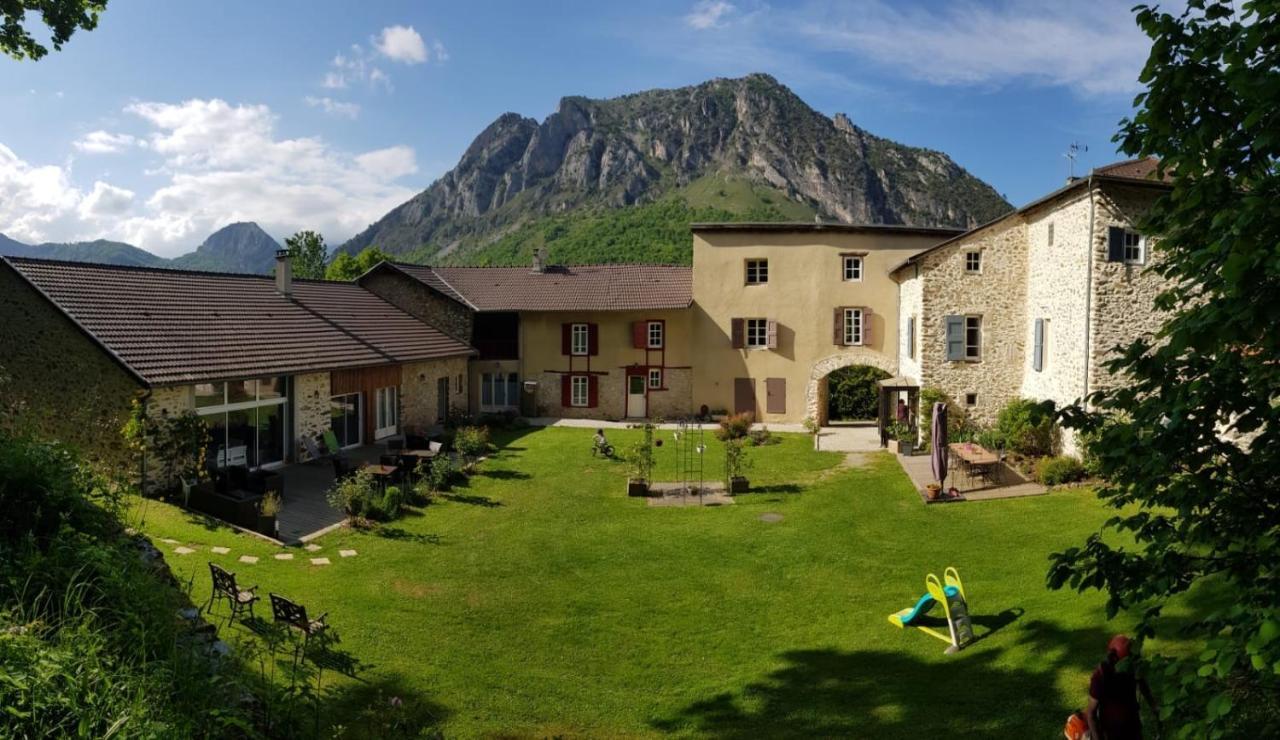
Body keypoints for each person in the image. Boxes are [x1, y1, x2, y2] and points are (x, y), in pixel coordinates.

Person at [1086, 634, 1159, 740]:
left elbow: (1142, 683)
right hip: (1112, 732)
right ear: (1117, 659)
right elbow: (1091, 713)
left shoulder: (1131, 668)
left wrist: (1154, 705)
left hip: (1133, 726)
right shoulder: (1101, 675)